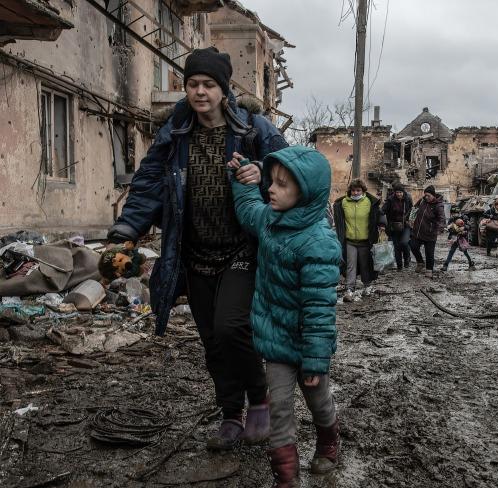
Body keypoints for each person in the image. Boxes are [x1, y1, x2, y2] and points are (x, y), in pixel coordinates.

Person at [107, 47, 288, 450]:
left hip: (242, 248)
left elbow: (292, 177)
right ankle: (230, 414)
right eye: (192, 84)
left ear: (224, 90)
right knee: (211, 337)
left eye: (208, 84)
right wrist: (126, 231)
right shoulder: (174, 135)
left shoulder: (255, 131)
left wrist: (262, 177)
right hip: (193, 252)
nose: (200, 92)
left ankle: (258, 399)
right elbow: (148, 184)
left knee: (231, 326)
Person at [229, 146, 341, 488]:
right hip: (277, 341)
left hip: (308, 346)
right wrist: (244, 178)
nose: (271, 189)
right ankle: (286, 476)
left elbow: (320, 310)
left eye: (281, 185)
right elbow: (248, 209)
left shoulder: (318, 243)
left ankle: (328, 442)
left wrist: (315, 360)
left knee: (318, 401)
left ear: (305, 194)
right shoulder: (271, 220)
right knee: (279, 408)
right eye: (271, 182)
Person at [333, 179, 386, 302]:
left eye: (358, 190)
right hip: (350, 240)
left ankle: (367, 286)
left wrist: (382, 224)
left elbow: (380, 214)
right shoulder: (343, 203)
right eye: (353, 190)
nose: (356, 193)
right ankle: (350, 289)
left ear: (363, 191)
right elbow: (339, 219)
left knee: (365, 264)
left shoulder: (369, 202)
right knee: (350, 266)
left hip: (366, 241)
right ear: (350, 191)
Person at [408, 185, 446, 278]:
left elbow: (442, 218)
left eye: (428, 195)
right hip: (418, 231)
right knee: (413, 246)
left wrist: (440, 228)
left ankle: (429, 270)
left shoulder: (438, 205)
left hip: (430, 233)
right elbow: (413, 209)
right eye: (425, 195)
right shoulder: (422, 201)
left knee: (429, 253)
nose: (426, 197)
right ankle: (420, 262)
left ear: (433, 195)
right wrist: (408, 219)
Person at [381, 182, 413, 270]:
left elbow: (412, 210)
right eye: (397, 192)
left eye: (400, 192)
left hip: (405, 225)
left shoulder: (407, 199)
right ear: (394, 192)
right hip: (393, 226)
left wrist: (410, 220)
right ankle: (399, 266)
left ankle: (407, 258)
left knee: (404, 242)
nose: (399, 194)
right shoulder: (390, 200)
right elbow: (382, 211)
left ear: (403, 192)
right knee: (396, 246)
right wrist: (382, 223)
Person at [441, 206, 476, 271]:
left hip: (462, 238)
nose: (454, 214)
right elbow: (448, 228)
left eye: (456, 213)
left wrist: (464, 228)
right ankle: (445, 265)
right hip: (455, 238)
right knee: (451, 251)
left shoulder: (464, 217)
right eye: (453, 213)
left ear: (458, 212)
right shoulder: (451, 219)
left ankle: (471, 264)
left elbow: (469, 226)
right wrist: (453, 230)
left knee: (465, 252)